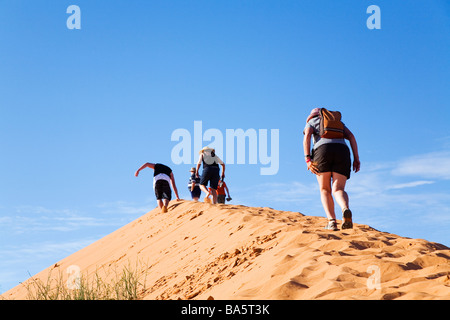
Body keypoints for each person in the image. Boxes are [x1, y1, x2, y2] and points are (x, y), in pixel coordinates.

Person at [303, 108, 360, 231]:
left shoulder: (312, 122)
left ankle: (332, 222)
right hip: (342, 151)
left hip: (322, 151)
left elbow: (307, 136)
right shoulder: (338, 124)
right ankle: (345, 209)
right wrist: (356, 158)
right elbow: (351, 136)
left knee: (324, 189)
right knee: (338, 189)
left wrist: (308, 159)